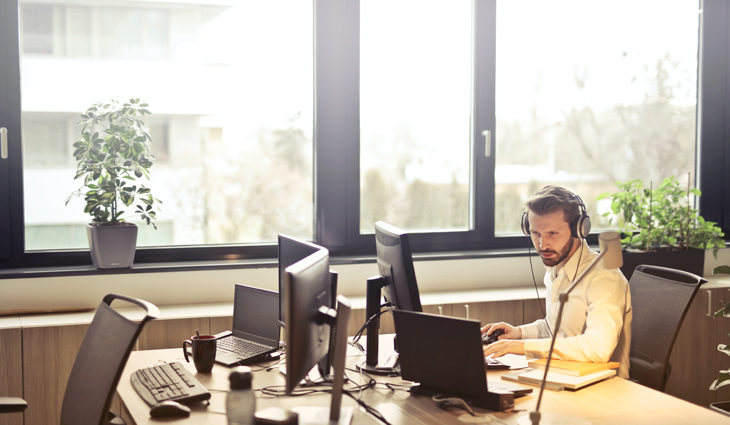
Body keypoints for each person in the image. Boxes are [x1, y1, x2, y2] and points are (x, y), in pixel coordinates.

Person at [482, 185, 632, 378]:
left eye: (553, 233)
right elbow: (555, 329)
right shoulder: (556, 269)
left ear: (579, 229)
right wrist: (519, 333)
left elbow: (598, 348)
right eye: (536, 234)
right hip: (562, 375)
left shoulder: (604, 277)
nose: (543, 245)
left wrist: (525, 347)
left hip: (602, 387)